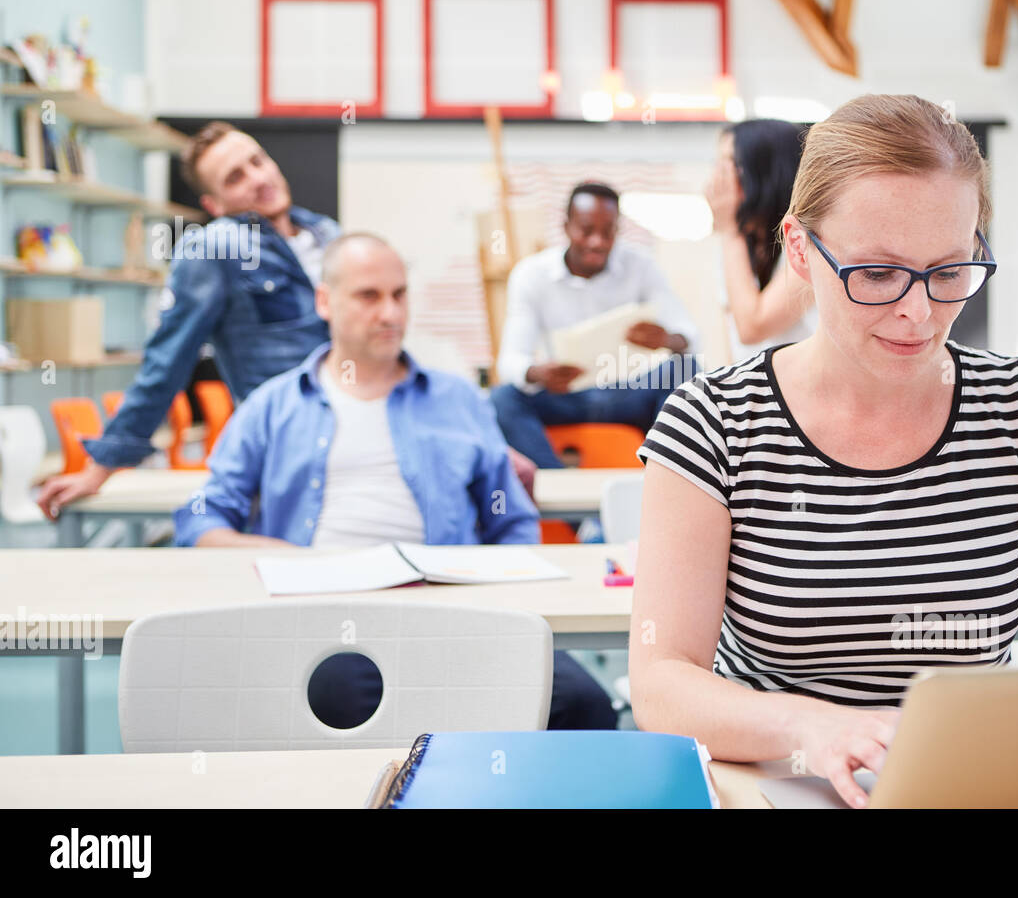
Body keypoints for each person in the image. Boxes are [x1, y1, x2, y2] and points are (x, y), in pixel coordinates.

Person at [629, 94, 1018, 807]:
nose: (918, 313)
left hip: (964, 787)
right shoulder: (713, 422)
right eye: (876, 274)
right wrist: (818, 729)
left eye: (949, 271)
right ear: (802, 250)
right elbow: (662, 681)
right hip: (779, 788)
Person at [173, 232, 616, 729]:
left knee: (582, 706)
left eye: (399, 294)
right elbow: (202, 517)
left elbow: (509, 518)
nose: (390, 313)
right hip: (327, 622)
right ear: (325, 301)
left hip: (450, 617)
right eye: (369, 296)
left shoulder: (459, 401)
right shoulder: (274, 407)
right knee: (335, 698)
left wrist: (494, 599)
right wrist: (286, 562)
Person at [37, 121, 337, 517]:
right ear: (214, 204)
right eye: (235, 177)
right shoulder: (213, 249)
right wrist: (101, 468)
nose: (258, 178)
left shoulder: (329, 235)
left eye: (257, 161)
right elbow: (167, 362)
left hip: (361, 436)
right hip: (285, 452)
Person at [490, 182, 700, 469]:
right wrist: (537, 372)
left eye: (607, 232)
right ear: (566, 227)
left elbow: (688, 335)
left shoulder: (641, 266)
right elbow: (510, 361)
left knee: (684, 370)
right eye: (587, 230)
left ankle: (663, 479)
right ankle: (562, 496)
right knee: (502, 399)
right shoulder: (531, 275)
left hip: (628, 393)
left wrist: (666, 339)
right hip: (564, 395)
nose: (597, 242)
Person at [704, 118, 818, 360]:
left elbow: (752, 328)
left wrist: (729, 229)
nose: (717, 179)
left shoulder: (812, 244)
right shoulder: (736, 243)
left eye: (729, 165)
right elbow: (735, 346)